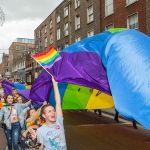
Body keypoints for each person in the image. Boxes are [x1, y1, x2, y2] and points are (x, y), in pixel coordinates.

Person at [36, 77, 67, 150]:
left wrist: (55, 85)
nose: (53, 112)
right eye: (49, 111)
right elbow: (40, 148)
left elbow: (58, 103)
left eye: (53, 110)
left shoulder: (59, 121)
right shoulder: (40, 130)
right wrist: (35, 142)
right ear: (44, 115)